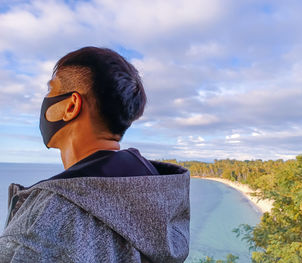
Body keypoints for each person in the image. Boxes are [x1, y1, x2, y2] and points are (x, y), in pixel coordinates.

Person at [0, 47, 190, 263]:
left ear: (71, 106)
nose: (45, 100)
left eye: (51, 90)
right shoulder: (161, 192)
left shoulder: (48, 215)